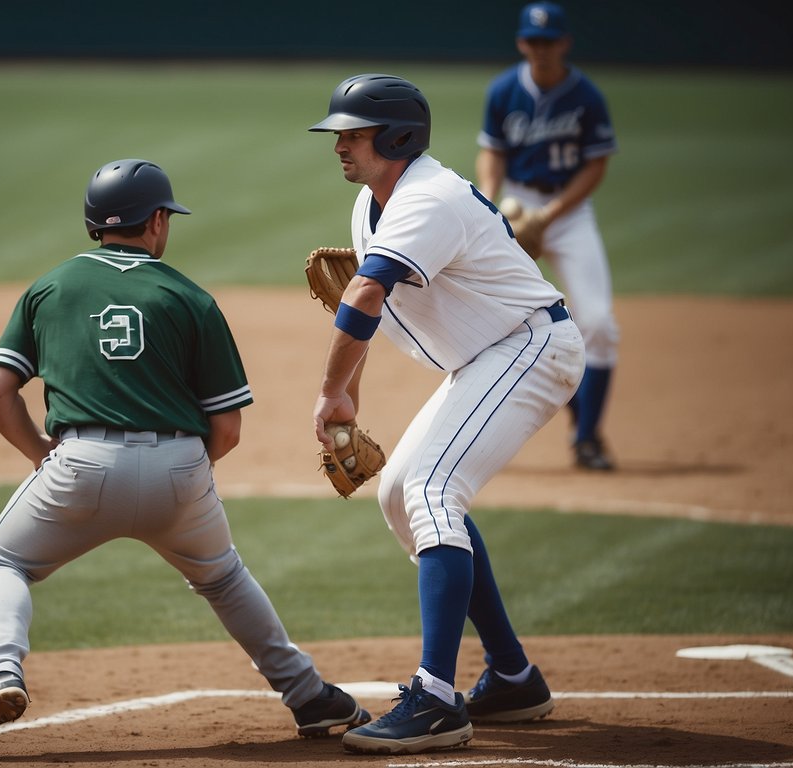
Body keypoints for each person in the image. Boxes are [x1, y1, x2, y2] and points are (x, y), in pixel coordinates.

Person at [0, 158, 371, 761]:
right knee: (222, 578)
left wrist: (43, 456)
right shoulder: (188, 296)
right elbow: (227, 427)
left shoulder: (49, 287)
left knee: (3, 562)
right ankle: (309, 697)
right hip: (179, 468)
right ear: (158, 221)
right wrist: (184, 477)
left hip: (79, 466)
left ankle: (0, 675)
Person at [306, 74, 586, 755]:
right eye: (337, 133)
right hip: (491, 356)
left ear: (398, 136)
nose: (339, 144)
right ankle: (514, 676)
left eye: (354, 133)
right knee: (404, 496)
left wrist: (334, 393)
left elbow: (369, 290)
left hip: (529, 346)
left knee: (432, 488)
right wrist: (354, 384)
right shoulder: (376, 203)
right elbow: (372, 297)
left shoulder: (426, 198)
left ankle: (436, 697)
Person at [475, 1, 620, 471]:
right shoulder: (503, 91)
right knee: (517, 323)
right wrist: (489, 206)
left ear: (565, 43)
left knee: (596, 321)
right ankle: (584, 436)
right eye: (532, 41)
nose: (540, 50)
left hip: (570, 212)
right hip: (515, 205)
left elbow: (596, 165)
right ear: (522, 43)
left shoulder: (586, 96)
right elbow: (492, 155)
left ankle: (587, 434)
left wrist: (551, 215)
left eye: (549, 41)